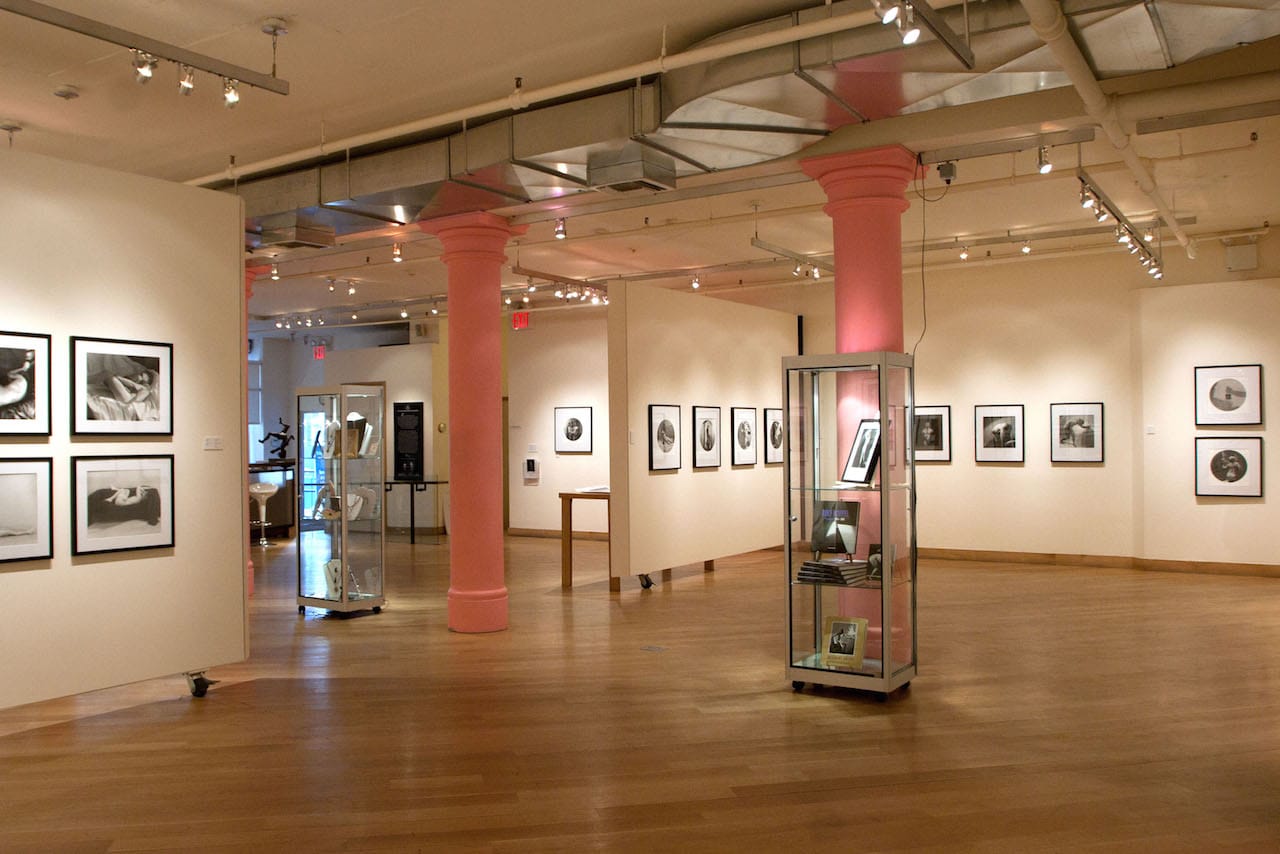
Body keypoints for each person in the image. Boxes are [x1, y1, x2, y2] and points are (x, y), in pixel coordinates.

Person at [86, 485, 161, 526]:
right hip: (120, 500)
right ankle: (114, 492)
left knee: (123, 491)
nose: (144, 492)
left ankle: (111, 497)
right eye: (144, 492)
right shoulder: (141, 497)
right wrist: (147, 488)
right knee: (124, 490)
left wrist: (143, 488)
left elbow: (138, 487)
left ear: (146, 498)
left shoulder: (139, 498)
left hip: (121, 502)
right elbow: (138, 489)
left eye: (145, 493)